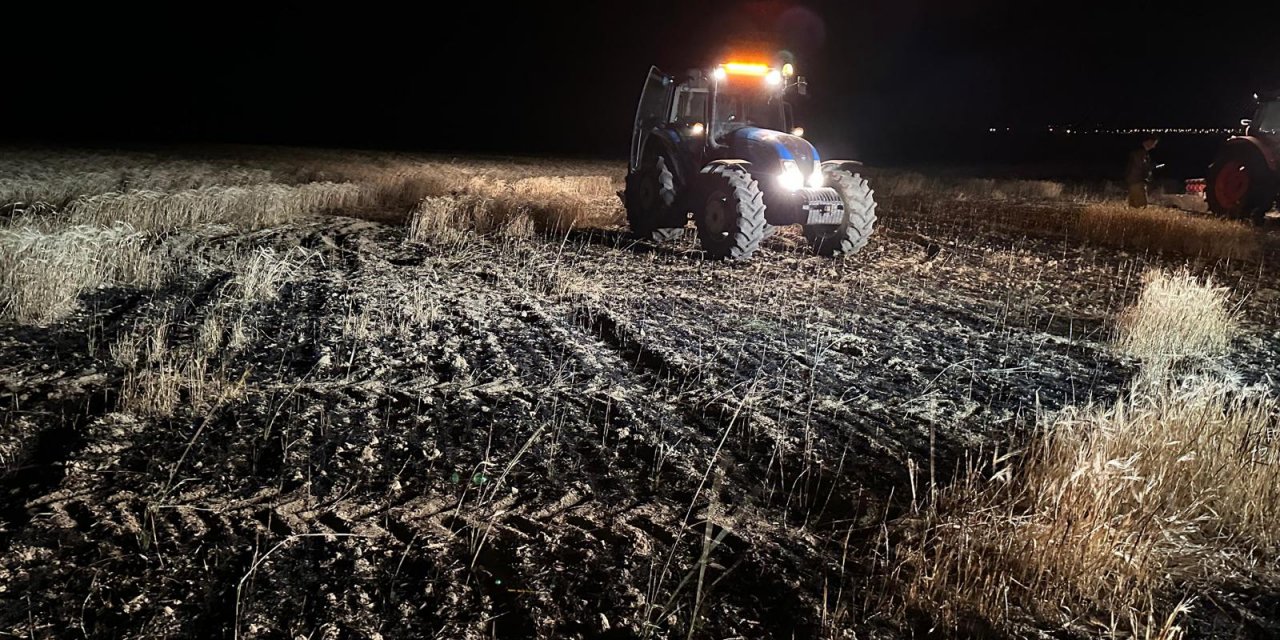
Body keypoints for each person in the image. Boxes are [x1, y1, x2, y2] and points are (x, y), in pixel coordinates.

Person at [1125, 134, 1159, 207]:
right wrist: (1149, 169)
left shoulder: (1140, 152)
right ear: (1149, 141)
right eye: (1154, 144)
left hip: (1134, 181)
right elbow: (1140, 166)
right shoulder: (1140, 153)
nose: (1154, 146)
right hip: (1137, 181)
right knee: (1141, 205)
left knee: (1134, 206)